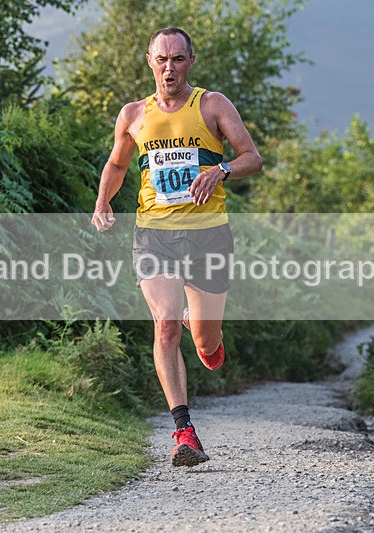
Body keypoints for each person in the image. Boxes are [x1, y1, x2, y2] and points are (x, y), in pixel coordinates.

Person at [91, 27, 262, 467]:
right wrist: (103, 200)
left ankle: (203, 334)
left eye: (178, 59)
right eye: (162, 59)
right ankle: (185, 432)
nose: (170, 68)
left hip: (208, 235)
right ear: (149, 61)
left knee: (207, 343)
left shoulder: (212, 104)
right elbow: (116, 162)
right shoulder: (133, 115)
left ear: (190, 61)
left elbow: (251, 157)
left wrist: (221, 169)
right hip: (154, 235)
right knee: (165, 325)